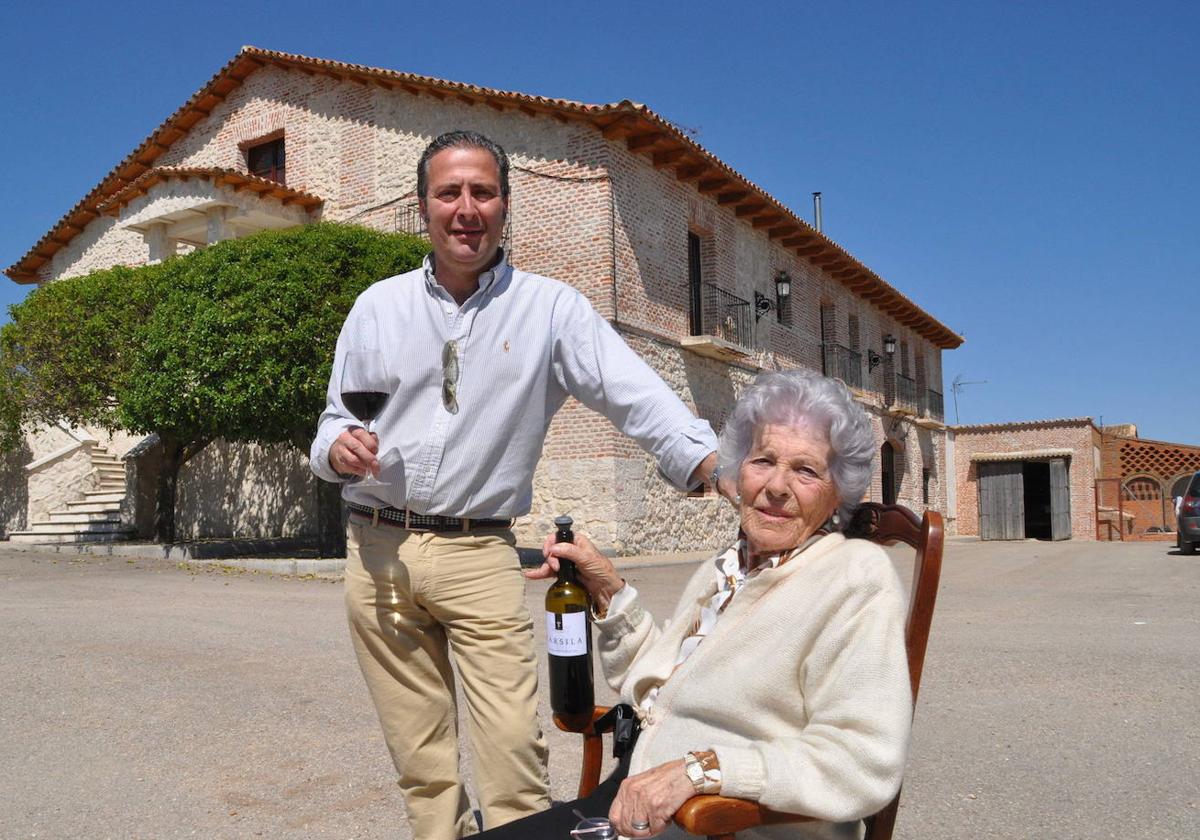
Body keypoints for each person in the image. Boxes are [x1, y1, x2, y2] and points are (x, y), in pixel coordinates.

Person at [309, 130, 727, 840]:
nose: (465, 208)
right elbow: (333, 421)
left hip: (481, 554)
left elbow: (636, 395)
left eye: (483, 192)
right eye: (449, 193)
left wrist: (713, 464)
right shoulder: (377, 307)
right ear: (423, 207)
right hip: (377, 552)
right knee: (424, 766)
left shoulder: (551, 310)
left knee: (513, 761)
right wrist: (337, 450)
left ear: (505, 206)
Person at [500, 370, 912, 840]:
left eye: (805, 470)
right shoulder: (734, 563)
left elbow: (862, 760)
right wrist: (607, 589)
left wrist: (701, 773)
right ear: (738, 472)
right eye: (763, 460)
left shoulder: (855, 576)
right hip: (635, 801)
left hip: (717, 824)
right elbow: (659, 685)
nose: (777, 485)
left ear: (838, 489)